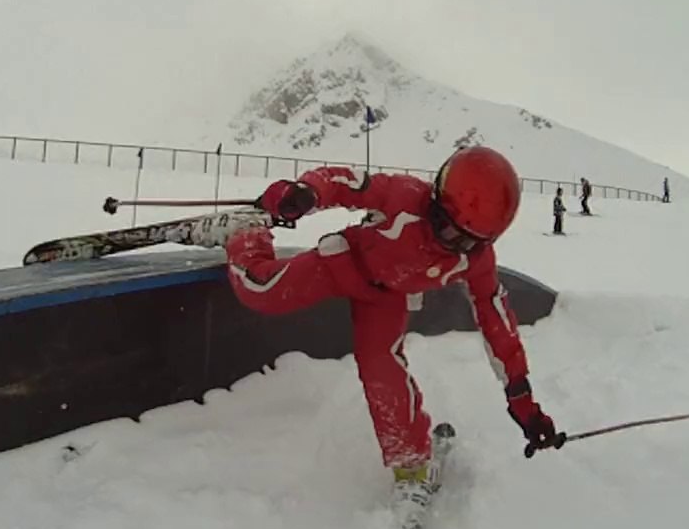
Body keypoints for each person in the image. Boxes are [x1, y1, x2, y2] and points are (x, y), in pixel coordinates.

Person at [177, 146, 559, 507]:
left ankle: (411, 467)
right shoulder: (404, 196)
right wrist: (309, 192)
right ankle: (244, 233)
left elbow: (497, 318)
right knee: (260, 290)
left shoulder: (475, 258)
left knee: (382, 368)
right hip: (345, 264)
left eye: (470, 240)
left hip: (387, 298)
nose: (454, 244)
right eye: (448, 229)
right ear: (436, 201)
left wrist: (522, 400)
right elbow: (344, 181)